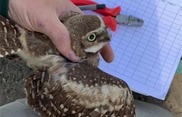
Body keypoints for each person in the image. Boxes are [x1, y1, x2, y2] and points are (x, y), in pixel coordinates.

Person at [0, 0, 174, 117]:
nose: (105, 38)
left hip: (22, 37)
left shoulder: (67, 19)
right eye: (92, 37)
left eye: (103, 30)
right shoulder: (74, 59)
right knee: (122, 98)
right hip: (32, 44)